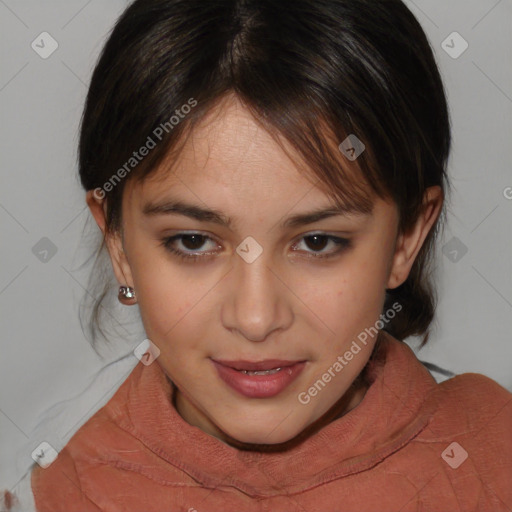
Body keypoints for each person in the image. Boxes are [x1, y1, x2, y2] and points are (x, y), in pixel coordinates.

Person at [26, 0, 512, 510]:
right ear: (119, 243)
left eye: (318, 242)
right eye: (192, 241)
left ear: (406, 237)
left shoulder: (491, 461)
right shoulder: (51, 485)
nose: (256, 319)